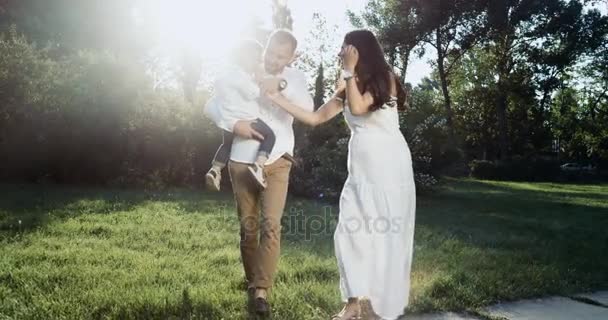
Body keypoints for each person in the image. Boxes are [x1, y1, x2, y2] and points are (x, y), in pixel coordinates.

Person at [266, 29, 416, 320]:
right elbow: (314, 118)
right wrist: (275, 98)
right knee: (348, 232)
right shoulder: (348, 84)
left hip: (389, 165)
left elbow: (359, 109)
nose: (340, 54)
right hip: (360, 168)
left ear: (359, 51)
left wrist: (348, 73)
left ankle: (376, 303)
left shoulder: (386, 78)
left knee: (384, 230)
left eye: (345, 49)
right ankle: (352, 303)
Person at [208, 29, 314, 316]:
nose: (274, 59)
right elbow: (212, 104)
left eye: (282, 56)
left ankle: (261, 291)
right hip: (242, 159)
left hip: (278, 160)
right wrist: (233, 126)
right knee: (248, 227)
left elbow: (308, 109)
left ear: (292, 57)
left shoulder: (295, 78)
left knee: (271, 225)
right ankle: (252, 280)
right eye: (271, 52)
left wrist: (278, 87)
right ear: (265, 47)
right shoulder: (242, 70)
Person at [203, 40, 275, 191]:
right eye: (256, 59)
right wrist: (260, 81)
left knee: (226, 144)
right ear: (246, 57)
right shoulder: (241, 77)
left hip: (229, 119)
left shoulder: (224, 75)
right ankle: (259, 167)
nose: (258, 62)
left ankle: (215, 170)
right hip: (247, 120)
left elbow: (215, 100)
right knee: (270, 136)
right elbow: (254, 93)